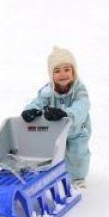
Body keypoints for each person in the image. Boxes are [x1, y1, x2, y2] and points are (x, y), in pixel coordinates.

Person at [21, 46, 91, 189]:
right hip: (56, 131)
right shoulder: (48, 91)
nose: (62, 74)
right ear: (51, 74)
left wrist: (67, 114)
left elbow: (82, 106)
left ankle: (78, 180)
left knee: (77, 154)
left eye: (67, 69)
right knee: (51, 153)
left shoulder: (79, 90)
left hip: (77, 130)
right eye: (57, 71)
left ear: (73, 71)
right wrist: (31, 110)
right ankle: (52, 175)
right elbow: (38, 102)